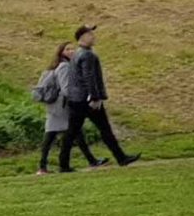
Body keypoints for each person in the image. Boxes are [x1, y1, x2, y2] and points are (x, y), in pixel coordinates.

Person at [65, 24, 138, 168]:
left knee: (72, 132)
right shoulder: (87, 54)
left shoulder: (78, 53)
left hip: (76, 98)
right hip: (86, 100)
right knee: (104, 129)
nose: (93, 37)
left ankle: (63, 164)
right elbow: (89, 77)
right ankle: (121, 158)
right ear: (82, 37)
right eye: (90, 34)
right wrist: (94, 97)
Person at [36, 42, 102, 174]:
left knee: (57, 134)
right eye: (68, 49)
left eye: (73, 49)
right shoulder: (65, 67)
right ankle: (47, 167)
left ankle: (91, 160)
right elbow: (66, 88)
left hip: (56, 106)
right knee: (59, 134)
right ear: (61, 52)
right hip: (62, 106)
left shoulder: (61, 66)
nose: (72, 51)